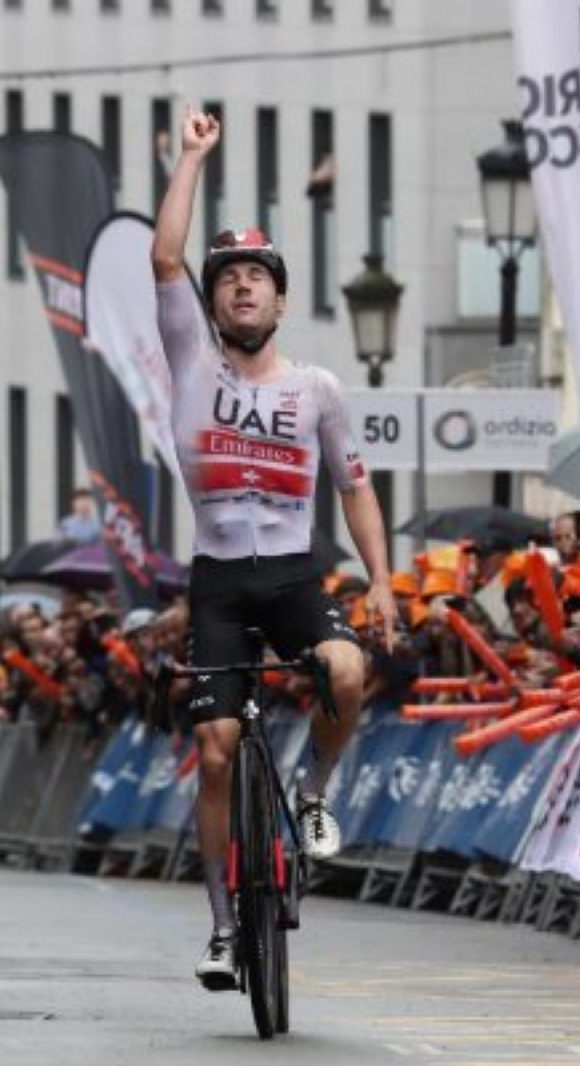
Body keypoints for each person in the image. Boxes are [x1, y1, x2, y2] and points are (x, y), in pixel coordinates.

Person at [153, 105, 398, 990]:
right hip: (219, 581)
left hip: (294, 572)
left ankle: (314, 790)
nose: (243, 287)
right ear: (212, 302)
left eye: (258, 276)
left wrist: (382, 581)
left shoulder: (318, 389)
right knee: (216, 748)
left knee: (342, 671)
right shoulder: (191, 365)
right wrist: (190, 157)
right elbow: (164, 258)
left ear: (283, 298)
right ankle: (223, 925)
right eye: (230, 279)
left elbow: (356, 486)